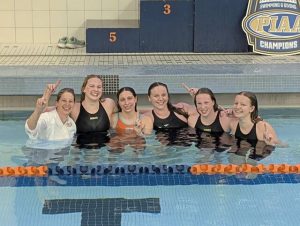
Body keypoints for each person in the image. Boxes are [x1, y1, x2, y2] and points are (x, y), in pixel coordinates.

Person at [108, 87, 150, 152]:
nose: (126, 103)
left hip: (137, 157)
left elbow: (150, 142)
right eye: (122, 100)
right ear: (118, 102)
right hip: (118, 156)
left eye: (129, 98)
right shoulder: (113, 119)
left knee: (139, 144)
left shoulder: (145, 119)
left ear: (135, 99)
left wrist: (139, 133)